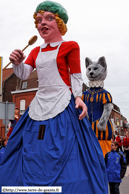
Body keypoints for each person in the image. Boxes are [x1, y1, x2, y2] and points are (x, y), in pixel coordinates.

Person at [0, 1, 108, 193]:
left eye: (49, 18)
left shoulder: (70, 46)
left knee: (70, 145)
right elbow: (25, 73)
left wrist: (78, 97)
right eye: (39, 20)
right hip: (40, 102)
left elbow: (75, 74)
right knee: (27, 143)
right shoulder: (35, 50)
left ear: (60, 23)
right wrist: (18, 63)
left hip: (62, 100)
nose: (43, 23)